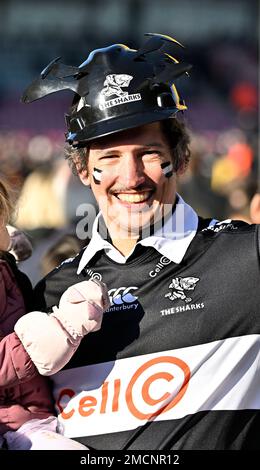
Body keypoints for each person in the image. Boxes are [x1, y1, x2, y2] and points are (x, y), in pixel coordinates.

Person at [22, 33, 260, 450]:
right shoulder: (48, 294)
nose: (130, 179)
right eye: (108, 158)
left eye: (148, 153)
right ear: (82, 170)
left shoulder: (247, 260)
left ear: (180, 158)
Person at [0, 180, 110, 450]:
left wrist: (11, 251)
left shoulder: (5, 266)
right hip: (15, 425)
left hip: (34, 408)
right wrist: (56, 331)